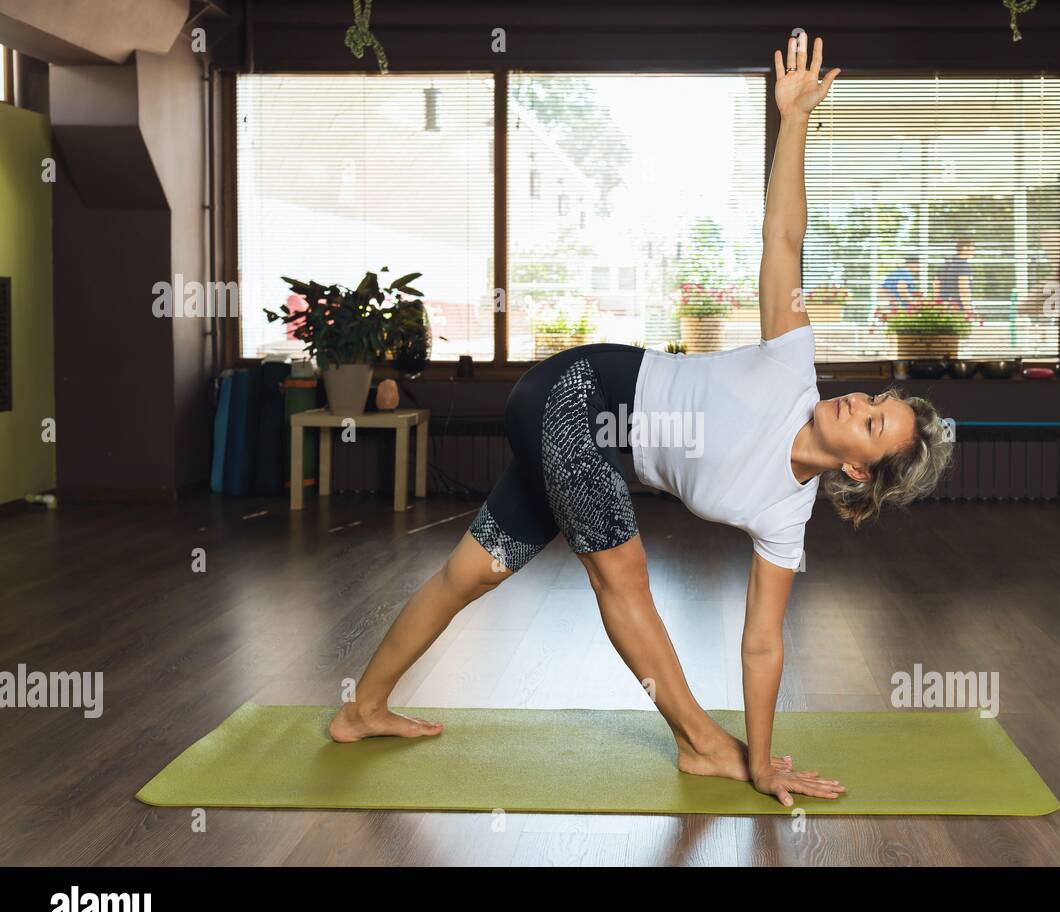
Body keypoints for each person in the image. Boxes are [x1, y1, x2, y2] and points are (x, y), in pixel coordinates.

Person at [328, 33, 953, 808]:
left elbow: (762, 643)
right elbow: (783, 239)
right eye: (874, 401)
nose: (858, 405)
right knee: (623, 574)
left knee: (470, 572)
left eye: (870, 425)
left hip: (581, 446)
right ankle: (698, 744)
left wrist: (764, 760)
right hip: (575, 394)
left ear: (858, 470)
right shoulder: (792, 363)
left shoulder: (785, 521)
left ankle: (362, 709)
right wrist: (793, 121)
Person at [937, 237, 976, 313]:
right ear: (964, 248)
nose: (974, 251)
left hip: (944, 306)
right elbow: (963, 288)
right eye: (972, 248)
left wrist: (938, 304)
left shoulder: (947, 263)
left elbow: (936, 284)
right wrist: (968, 309)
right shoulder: (963, 265)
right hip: (957, 308)